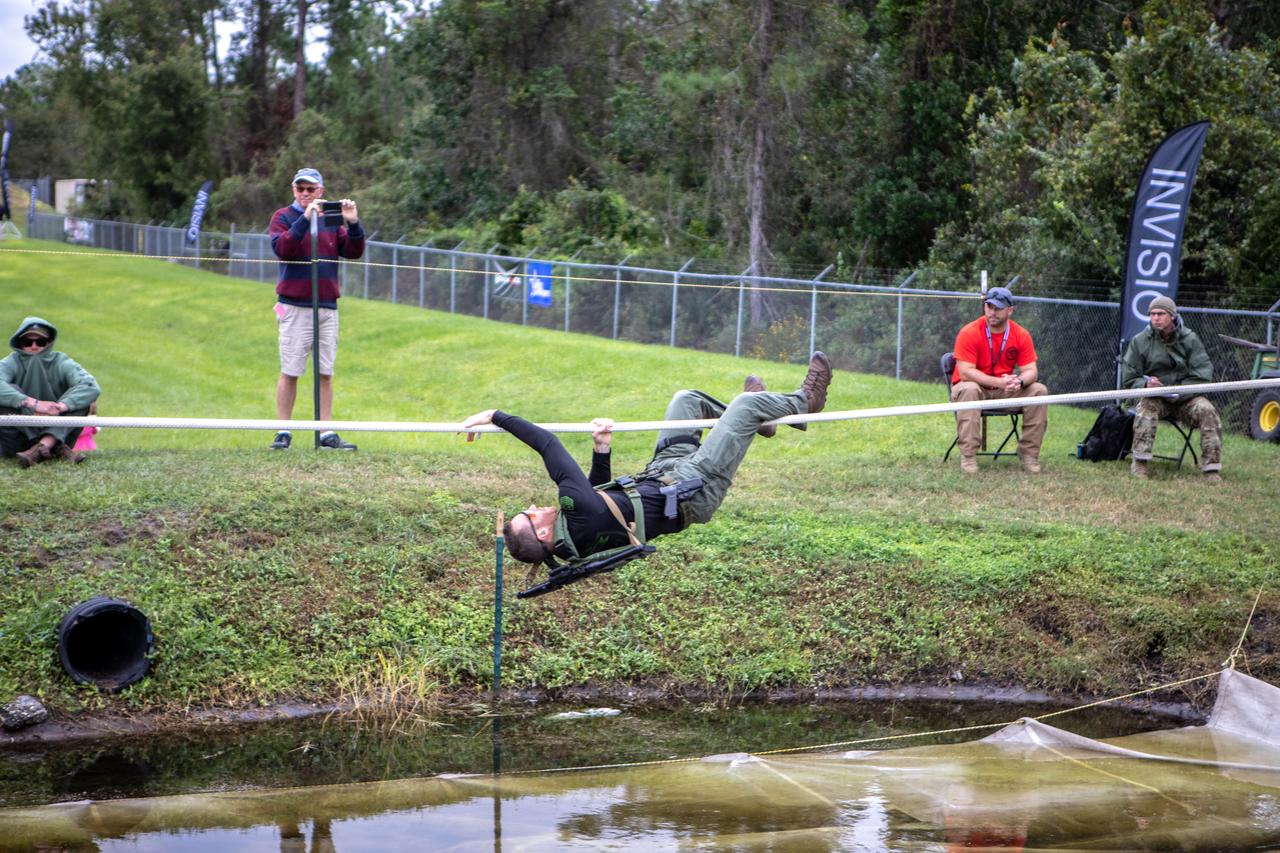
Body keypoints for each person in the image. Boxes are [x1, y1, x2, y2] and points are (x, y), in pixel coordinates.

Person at [461, 353, 834, 569]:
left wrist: (601, 449)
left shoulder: (572, 542)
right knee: (745, 404)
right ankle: (804, 402)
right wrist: (495, 415)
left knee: (687, 401)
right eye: (528, 513)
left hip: (665, 475)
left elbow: (601, 498)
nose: (531, 506)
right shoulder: (575, 513)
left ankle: (761, 422)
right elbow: (548, 444)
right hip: (694, 486)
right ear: (541, 533)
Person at [268, 167, 365, 451]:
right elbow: (283, 248)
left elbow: (354, 251)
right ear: (294, 190)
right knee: (291, 370)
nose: (306, 194)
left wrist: (354, 223)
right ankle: (283, 432)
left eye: (311, 189)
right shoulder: (282, 217)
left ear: (321, 191)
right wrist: (305, 218)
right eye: (301, 189)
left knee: (325, 372)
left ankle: (325, 433)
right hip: (294, 306)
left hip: (326, 306)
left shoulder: (331, 219)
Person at [1120, 296, 1221, 481]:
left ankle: (1211, 469)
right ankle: (1140, 463)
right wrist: (1146, 385)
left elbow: (1203, 374)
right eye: (1152, 314)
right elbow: (1129, 376)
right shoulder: (1140, 341)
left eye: (1160, 314)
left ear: (1172, 316)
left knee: (1207, 410)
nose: (1155, 318)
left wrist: (1179, 392)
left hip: (1187, 399)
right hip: (1156, 397)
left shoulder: (1190, 339)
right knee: (1145, 408)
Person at [949, 286, 1048, 474]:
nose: (992, 312)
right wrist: (1000, 382)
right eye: (989, 307)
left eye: (998, 308)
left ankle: (1029, 455)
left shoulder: (1021, 334)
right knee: (969, 388)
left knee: (1039, 390)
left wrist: (1018, 382)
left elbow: (1031, 371)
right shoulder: (969, 332)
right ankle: (968, 457)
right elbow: (965, 373)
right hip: (974, 389)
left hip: (1005, 390)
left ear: (1010, 310)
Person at [0, 317, 101, 468]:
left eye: (40, 341)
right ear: (20, 343)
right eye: (28, 342)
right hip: (17, 443)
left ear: (49, 342)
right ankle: (52, 445)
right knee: (10, 392)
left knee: (78, 400)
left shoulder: (61, 361)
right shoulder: (12, 362)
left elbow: (91, 386)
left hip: (59, 432)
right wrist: (35, 404)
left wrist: (61, 407)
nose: (34, 347)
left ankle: (43, 446)